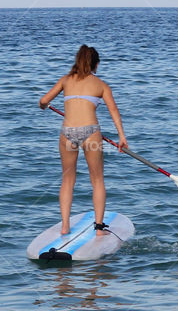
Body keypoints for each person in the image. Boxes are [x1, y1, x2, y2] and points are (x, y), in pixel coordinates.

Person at [39, 45, 128, 235]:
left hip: (67, 133)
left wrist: (45, 105)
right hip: (91, 133)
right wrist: (121, 136)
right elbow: (114, 111)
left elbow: (43, 101)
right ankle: (98, 228)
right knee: (97, 180)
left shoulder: (65, 80)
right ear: (95, 64)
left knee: (67, 179)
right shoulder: (101, 85)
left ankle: (64, 226)